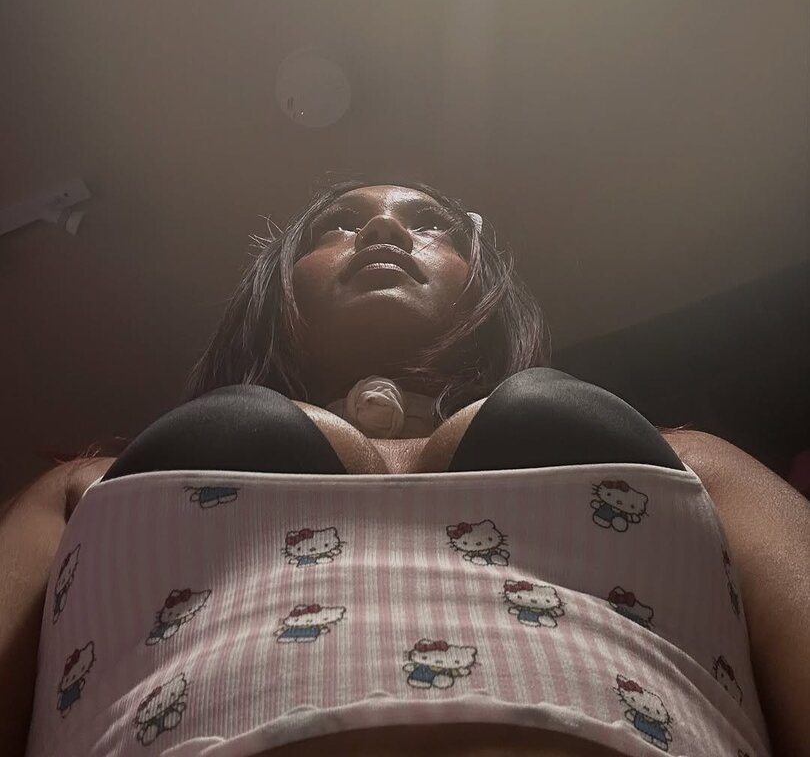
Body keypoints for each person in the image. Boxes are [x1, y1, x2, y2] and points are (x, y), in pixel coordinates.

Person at [1, 179, 788, 757]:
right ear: (281, 283)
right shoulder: (77, 489)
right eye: (338, 224)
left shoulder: (694, 461)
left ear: (484, 283)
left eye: (431, 224)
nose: (382, 229)